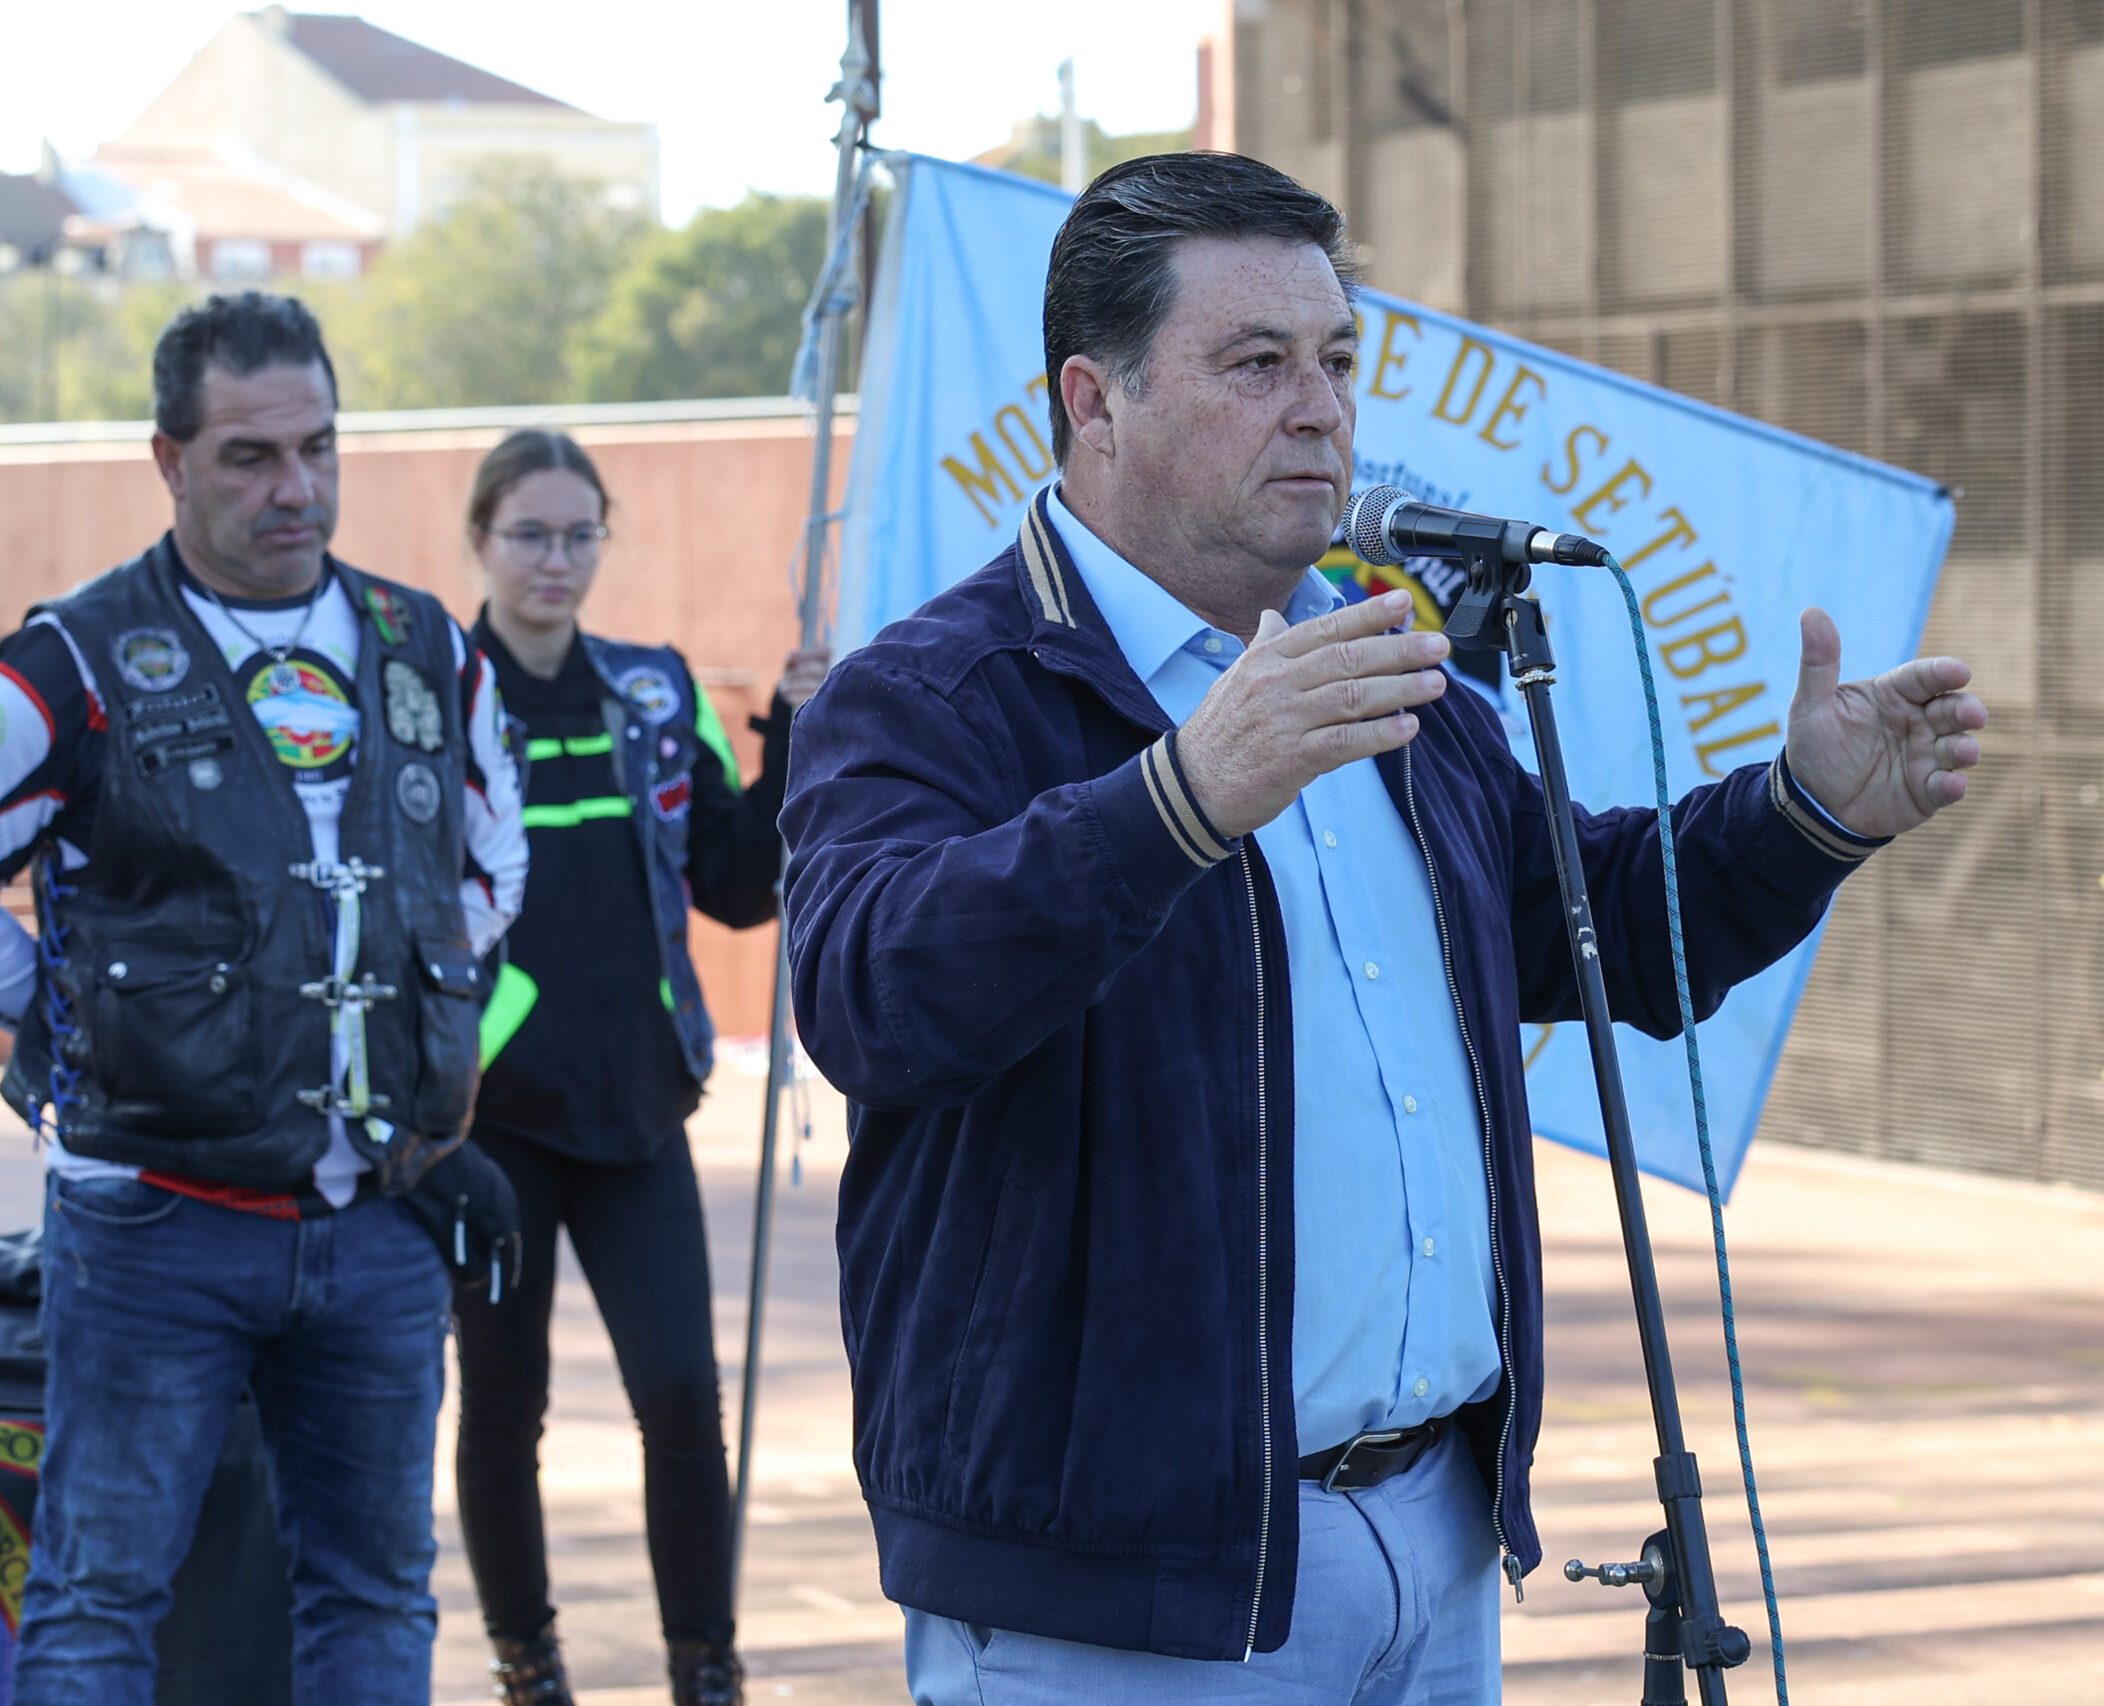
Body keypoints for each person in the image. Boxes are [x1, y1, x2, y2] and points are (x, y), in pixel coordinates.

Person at [781, 153, 1987, 1705]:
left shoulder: (1385, 667)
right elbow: (873, 991)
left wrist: (1806, 814)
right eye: (1258, 363)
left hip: (1436, 1541)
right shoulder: (934, 693)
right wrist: (1182, 794)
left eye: (1338, 359)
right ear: (1094, 400)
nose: (1322, 407)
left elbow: (1586, 919)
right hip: (1127, 1597)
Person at [0, 292, 528, 1705]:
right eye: (248, 455)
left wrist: (409, 1022)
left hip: (377, 1219)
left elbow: (492, 860)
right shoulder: (78, 656)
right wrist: (72, 1015)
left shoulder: (426, 646)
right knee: (102, 1600)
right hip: (150, 1226)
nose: (295, 486)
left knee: (374, 1597)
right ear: (168, 460)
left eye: (317, 446)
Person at [453, 429, 827, 1706]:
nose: (556, 560)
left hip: (637, 1109)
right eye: (529, 535)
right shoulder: (430, 699)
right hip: (486, 1119)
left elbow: (733, 884)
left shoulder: (654, 692)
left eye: (577, 534)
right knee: (504, 1408)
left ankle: (703, 1665)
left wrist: (797, 744)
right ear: (481, 543)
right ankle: (526, 1660)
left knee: (680, 1395)